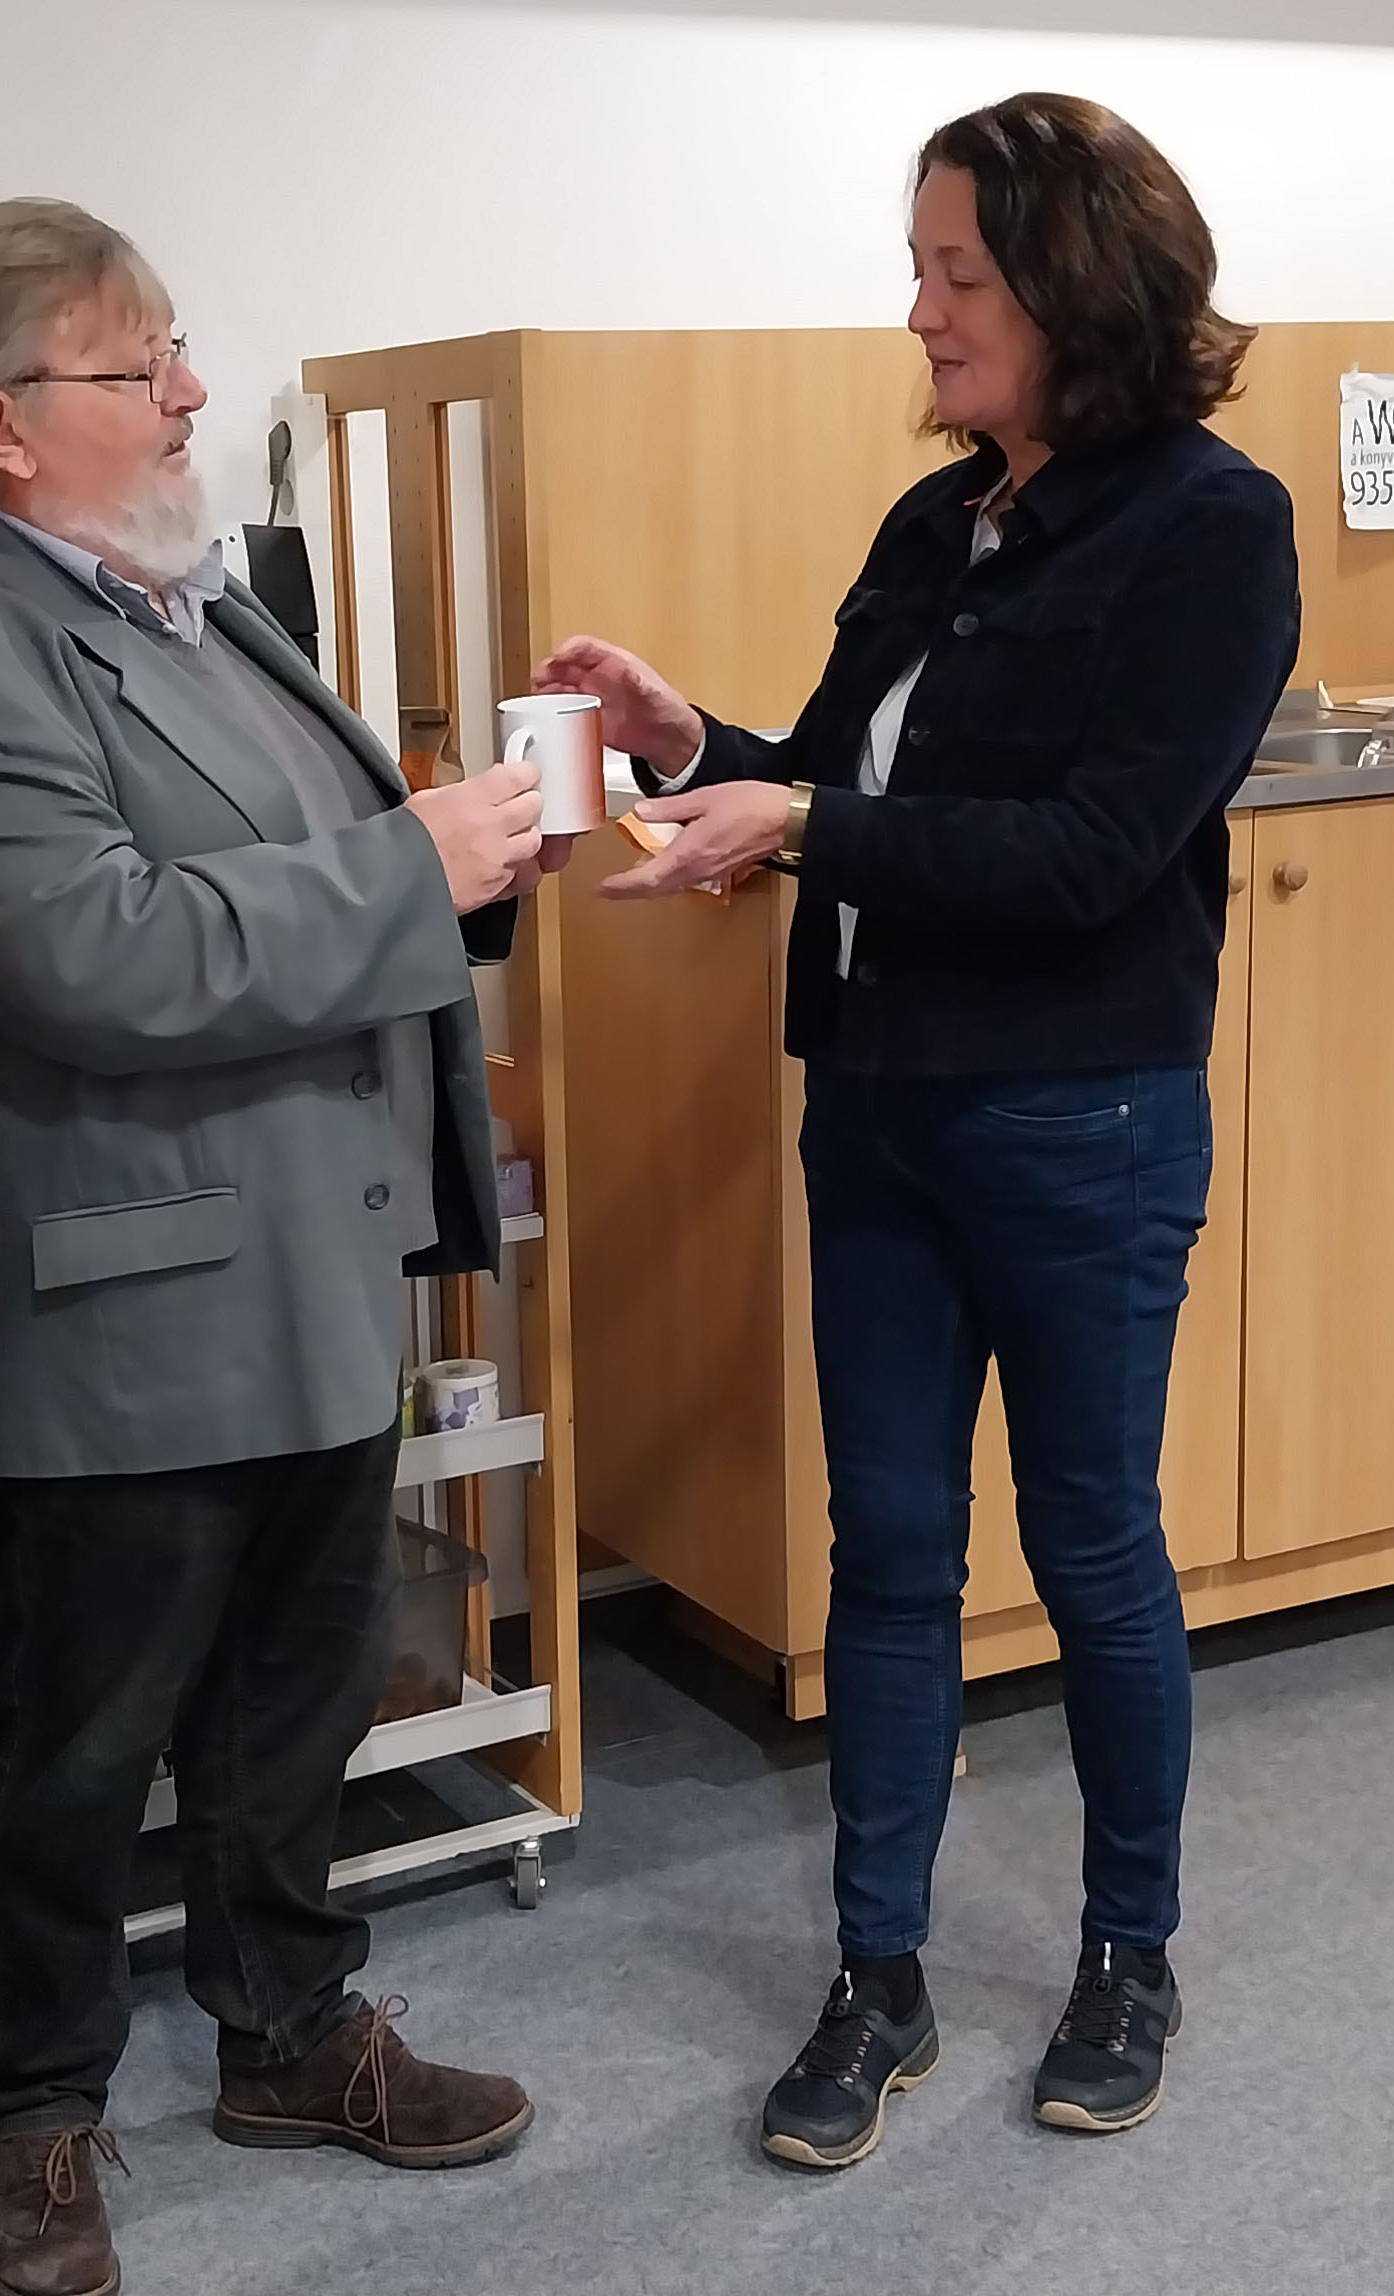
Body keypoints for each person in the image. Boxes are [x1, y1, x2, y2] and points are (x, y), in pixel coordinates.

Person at [540, 94, 1300, 2170]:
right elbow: (842, 783)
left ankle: (1125, 1955)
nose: (919, 310)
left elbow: (1088, 851)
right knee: (885, 1552)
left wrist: (798, 815)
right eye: (918, 266)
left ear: (1074, 281)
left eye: (956, 273)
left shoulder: (1208, 527)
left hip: (1077, 1120)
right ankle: (874, 1976)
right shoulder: (932, 523)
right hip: (873, 1111)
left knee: (1090, 1543)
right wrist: (690, 743)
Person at [0, 197, 571, 2296]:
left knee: (293, 1698)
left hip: (309, 1276)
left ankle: (289, 2030)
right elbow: (105, 953)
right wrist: (408, 863)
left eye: (173, 348)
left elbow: (308, 876)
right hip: (125, 1312)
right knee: (79, 1745)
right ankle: (32, 2112)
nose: (187, 390)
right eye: (135, 359)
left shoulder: (195, 608)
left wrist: (469, 859)